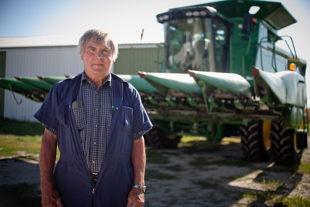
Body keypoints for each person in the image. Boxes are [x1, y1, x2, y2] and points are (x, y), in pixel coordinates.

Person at [34, 29, 153, 207]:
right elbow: (49, 140)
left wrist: (138, 187)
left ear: (113, 56)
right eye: (91, 50)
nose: (99, 56)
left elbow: (138, 141)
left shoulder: (129, 93)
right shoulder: (61, 91)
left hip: (117, 189)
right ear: (82, 55)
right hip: (69, 188)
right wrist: (46, 186)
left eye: (105, 51)